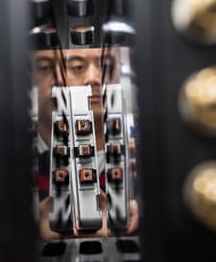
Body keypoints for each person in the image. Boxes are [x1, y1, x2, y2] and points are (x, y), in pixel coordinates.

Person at [31, 46, 139, 240]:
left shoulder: (146, 149)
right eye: (78, 67)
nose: (94, 78)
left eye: (105, 65)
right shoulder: (7, 153)